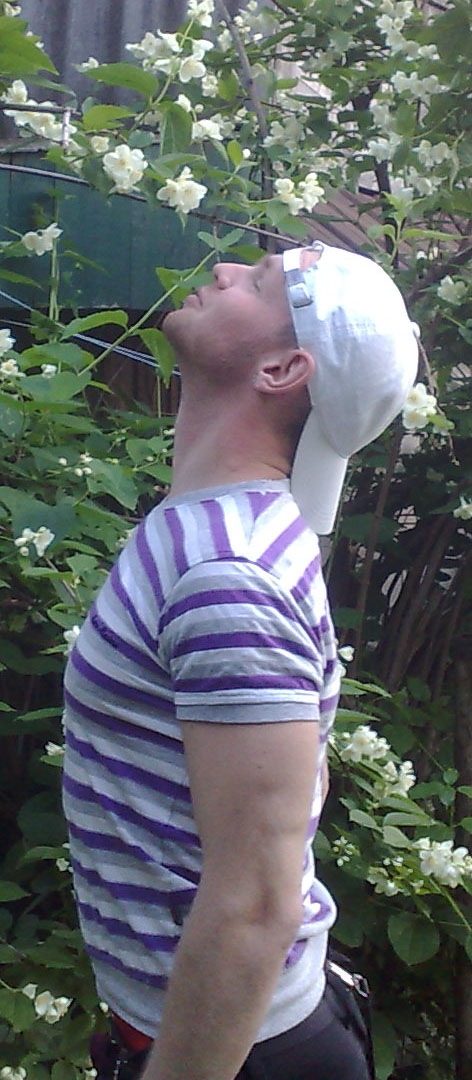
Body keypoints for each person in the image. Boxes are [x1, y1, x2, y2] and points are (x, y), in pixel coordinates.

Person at [62, 240, 418, 1080]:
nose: (222, 272)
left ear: (282, 369)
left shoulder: (229, 572)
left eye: (256, 282)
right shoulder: (209, 528)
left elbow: (257, 905)